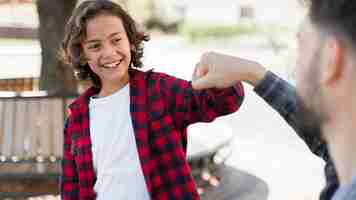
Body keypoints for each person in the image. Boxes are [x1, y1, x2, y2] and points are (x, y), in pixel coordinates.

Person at [59, 1, 244, 200]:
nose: (109, 52)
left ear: (130, 41)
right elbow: (71, 186)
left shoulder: (159, 90)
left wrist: (222, 79)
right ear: (82, 54)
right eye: (95, 46)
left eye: (116, 40)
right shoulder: (77, 120)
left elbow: (221, 102)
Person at [192, 0, 356, 199]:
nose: (295, 70)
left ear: (331, 59)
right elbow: (327, 142)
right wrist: (254, 73)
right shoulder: (346, 160)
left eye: (301, 46)